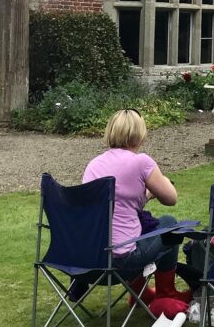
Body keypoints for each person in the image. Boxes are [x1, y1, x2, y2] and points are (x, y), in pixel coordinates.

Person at [81, 109, 190, 304]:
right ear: (141, 134)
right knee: (170, 224)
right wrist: (161, 181)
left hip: (89, 259)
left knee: (140, 227)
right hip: (121, 260)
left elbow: (118, 204)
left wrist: (145, 196)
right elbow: (171, 198)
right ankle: (166, 292)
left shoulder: (94, 164)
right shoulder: (141, 162)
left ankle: (141, 294)